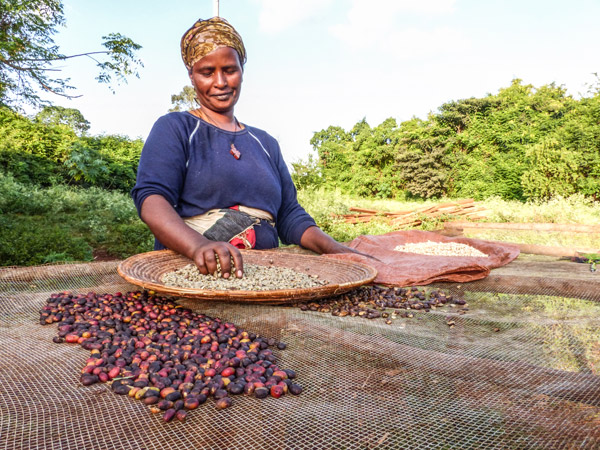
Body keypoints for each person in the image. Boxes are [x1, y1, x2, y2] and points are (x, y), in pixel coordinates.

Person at [131, 17, 357, 279]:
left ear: (242, 70)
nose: (220, 82)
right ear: (191, 76)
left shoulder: (266, 143)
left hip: (264, 279)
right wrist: (199, 246)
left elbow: (289, 215)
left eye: (229, 70)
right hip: (192, 274)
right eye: (207, 72)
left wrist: (334, 248)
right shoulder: (176, 128)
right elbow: (152, 200)